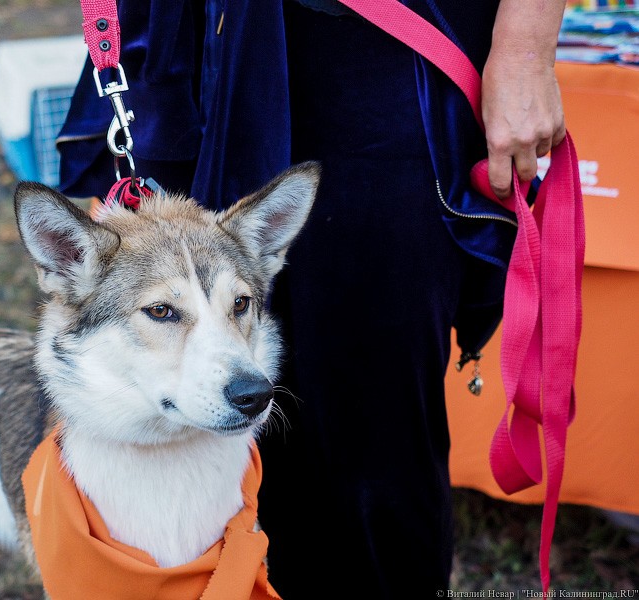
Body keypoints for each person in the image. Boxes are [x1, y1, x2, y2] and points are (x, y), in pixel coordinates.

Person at [54, 0, 568, 596]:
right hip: (195, 42)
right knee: (207, 439)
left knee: (373, 433)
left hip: (380, 52)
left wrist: (526, 52)